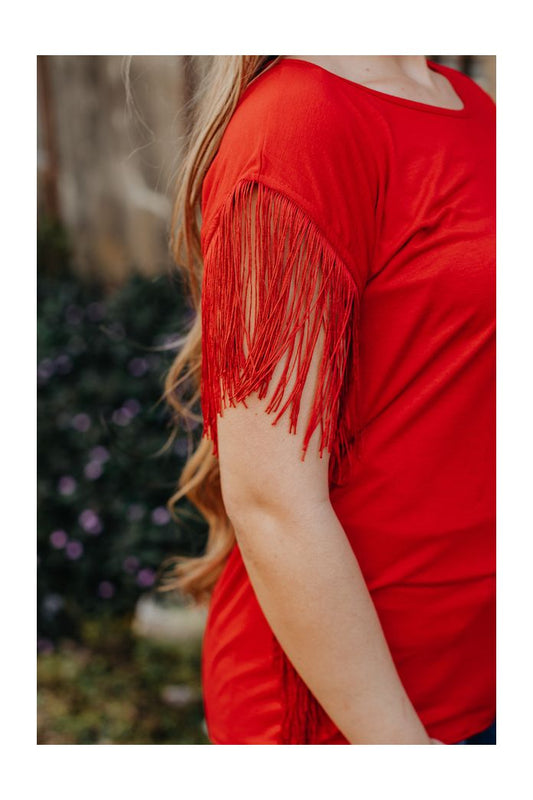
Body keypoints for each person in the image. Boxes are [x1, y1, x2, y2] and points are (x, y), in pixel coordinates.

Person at [160, 55, 496, 745]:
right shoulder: (298, 125)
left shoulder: (468, 103)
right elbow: (272, 502)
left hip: (480, 668)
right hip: (360, 720)